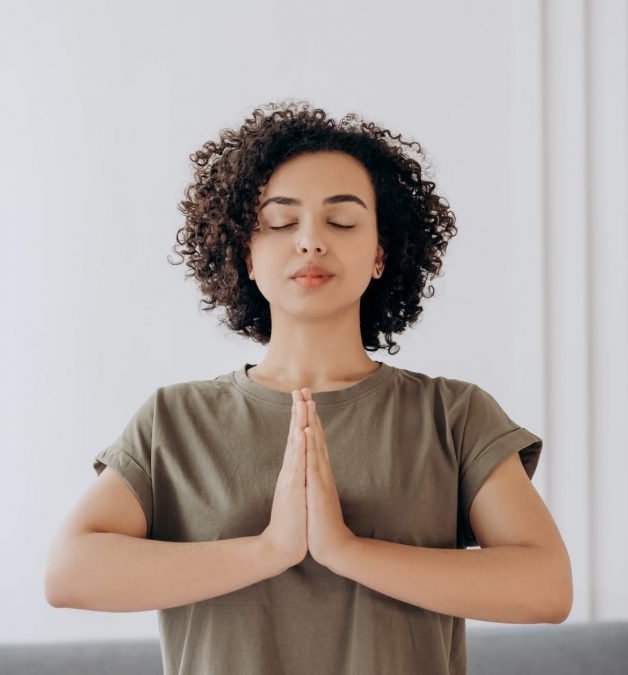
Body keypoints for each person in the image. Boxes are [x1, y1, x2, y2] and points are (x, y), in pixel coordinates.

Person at [44, 100, 572, 674]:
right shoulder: (176, 419)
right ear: (246, 253)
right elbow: (70, 573)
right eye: (280, 222)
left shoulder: (452, 414)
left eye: (341, 221)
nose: (310, 242)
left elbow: (545, 588)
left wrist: (346, 550)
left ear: (379, 254)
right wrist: (269, 549)